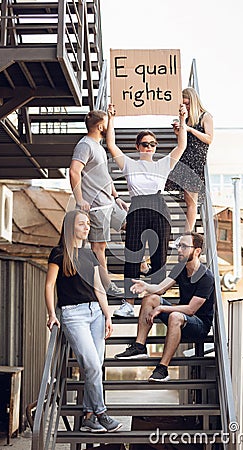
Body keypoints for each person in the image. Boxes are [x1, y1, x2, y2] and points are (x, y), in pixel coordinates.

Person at [106, 103, 188, 318]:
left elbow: (181, 147)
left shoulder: (162, 164)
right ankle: (129, 303)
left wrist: (183, 120)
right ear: (137, 146)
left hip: (159, 207)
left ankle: (157, 296)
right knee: (133, 254)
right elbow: (112, 144)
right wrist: (111, 118)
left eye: (152, 144)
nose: (149, 147)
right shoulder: (129, 164)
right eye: (144, 144)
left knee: (159, 255)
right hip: (137, 207)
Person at [45, 209, 122, 433]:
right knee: (91, 364)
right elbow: (50, 285)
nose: (86, 227)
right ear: (71, 227)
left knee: (95, 366)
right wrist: (51, 313)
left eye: (88, 224)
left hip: (96, 313)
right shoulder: (59, 253)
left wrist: (108, 315)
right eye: (81, 224)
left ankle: (88, 416)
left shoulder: (90, 256)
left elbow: (99, 287)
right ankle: (101, 413)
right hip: (73, 315)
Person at [114, 232, 215, 382]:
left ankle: (163, 369)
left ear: (197, 251)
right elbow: (161, 289)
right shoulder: (180, 268)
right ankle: (139, 346)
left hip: (199, 325)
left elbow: (190, 310)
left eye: (184, 246)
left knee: (175, 315)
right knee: (150, 299)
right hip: (181, 318)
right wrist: (146, 286)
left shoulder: (206, 277)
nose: (179, 250)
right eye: (179, 246)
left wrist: (162, 309)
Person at [69, 110, 128, 296]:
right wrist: (80, 199)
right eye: (108, 123)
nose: (110, 126)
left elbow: (104, 175)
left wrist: (117, 196)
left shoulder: (98, 146)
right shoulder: (84, 145)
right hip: (96, 207)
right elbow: (73, 171)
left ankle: (141, 263)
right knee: (99, 247)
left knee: (133, 224)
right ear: (100, 126)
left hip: (109, 203)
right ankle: (106, 285)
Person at [165, 87, 213, 232]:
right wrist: (178, 132)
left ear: (193, 101)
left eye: (187, 103)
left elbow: (209, 138)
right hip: (184, 158)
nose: (185, 106)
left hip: (196, 160)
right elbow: (183, 142)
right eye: (183, 104)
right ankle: (186, 231)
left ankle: (187, 233)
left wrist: (189, 129)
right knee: (187, 200)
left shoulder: (205, 116)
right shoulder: (185, 118)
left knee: (192, 201)